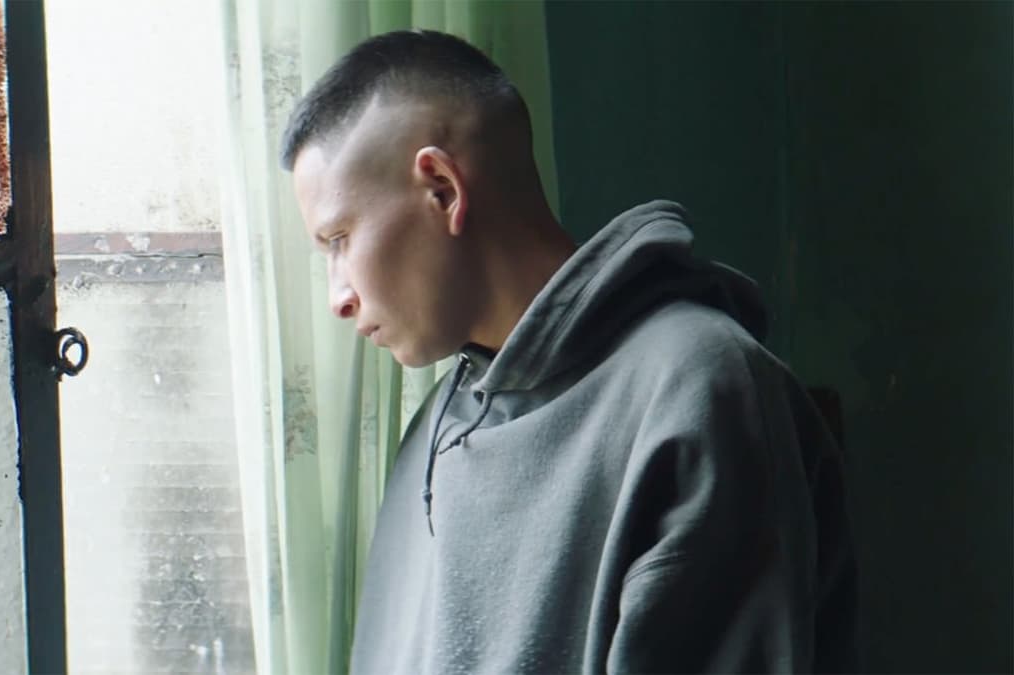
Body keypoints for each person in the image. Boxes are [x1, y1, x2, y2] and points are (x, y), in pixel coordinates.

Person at [280, 29, 858, 673]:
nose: (338, 298)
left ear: (441, 187)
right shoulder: (434, 426)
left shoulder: (702, 388)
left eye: (339, 239)